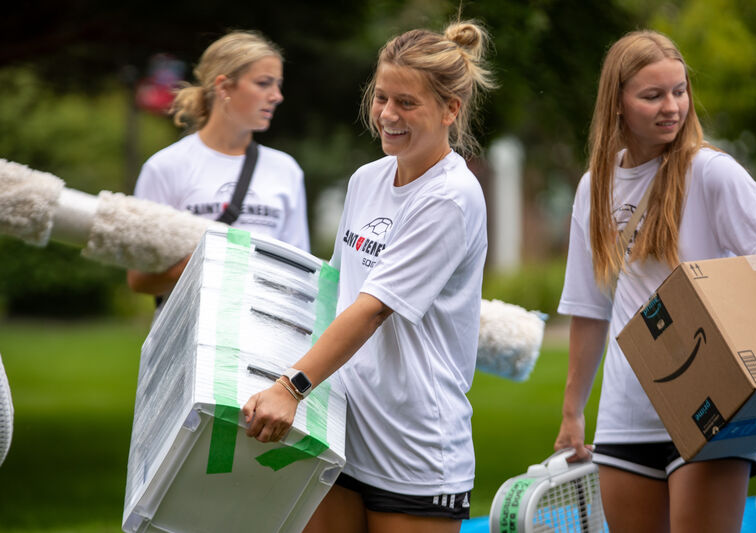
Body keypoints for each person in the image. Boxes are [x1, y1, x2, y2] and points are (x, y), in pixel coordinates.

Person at [243, 20, 496, 533]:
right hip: (341, 428)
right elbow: (336, 291)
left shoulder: (450, 196)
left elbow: (373, 307)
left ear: (451, 110)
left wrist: (291, 387)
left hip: (415, 450)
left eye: (407, 103)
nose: (386, 115)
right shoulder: (366, 179)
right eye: (382, 97)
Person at [554, 29, 756, 533]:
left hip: (714, 406)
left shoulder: (709, 171)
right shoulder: (593, 188)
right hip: (625, 415)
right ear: (617, 103)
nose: (672, 107)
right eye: (653, 95)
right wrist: (572, 411)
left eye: (679, 91)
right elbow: (590, 308)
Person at [127, 30, 309, 305]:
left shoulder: (286, 169)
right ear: (224, 87)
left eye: (278, 85)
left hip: (264, 339)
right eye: (264, 83)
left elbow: (300, 275)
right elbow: (140, 279)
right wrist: (215, 261)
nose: (277, 96)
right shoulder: (165, 167)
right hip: (188, 340)